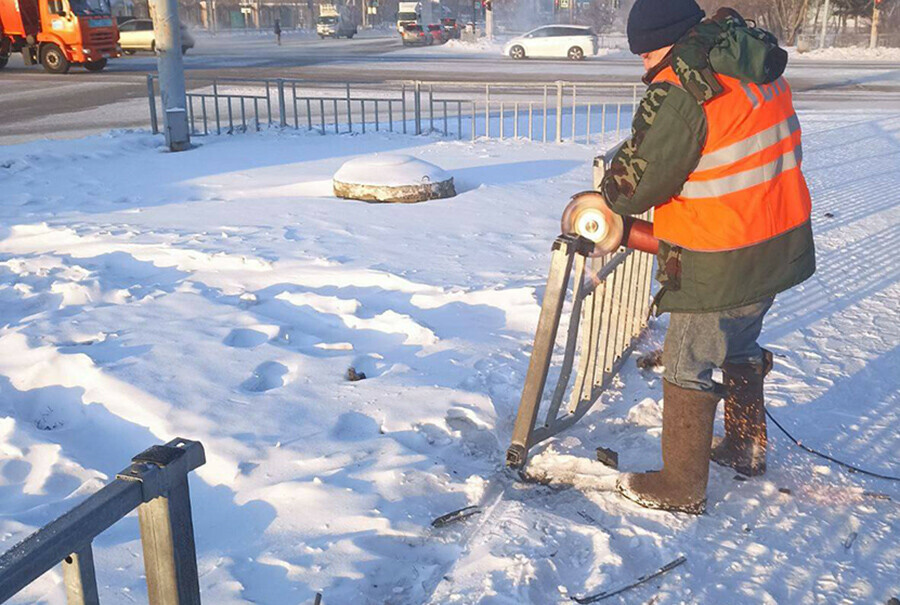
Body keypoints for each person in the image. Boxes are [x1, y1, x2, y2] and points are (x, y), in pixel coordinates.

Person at [600, 0, 816, 514]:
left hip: (721, 253)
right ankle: (745, 447)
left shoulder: (683, 89)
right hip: (774, 244)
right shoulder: (749, 64)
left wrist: (609, 188)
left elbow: (632, 189)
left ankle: (682, 486)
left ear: (672, 40)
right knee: (739, 342)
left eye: (647, 51)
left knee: (685, 362)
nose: (644, 63)